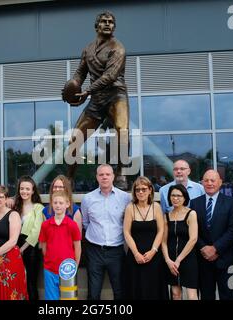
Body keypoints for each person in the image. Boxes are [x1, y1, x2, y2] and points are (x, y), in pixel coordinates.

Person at [65, 11, 130, 188]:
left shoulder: (118, 48)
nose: (108, 24)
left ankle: (122, 172)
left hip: (116, 95)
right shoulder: (88, 49)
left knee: (122, 130)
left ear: (114, 27)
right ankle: (69, 178)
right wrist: (74, 86)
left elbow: (109, 76)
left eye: (111, 22)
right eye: (104, 21)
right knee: (74, 139)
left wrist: (86, 92)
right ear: (97, 26)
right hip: (97, 99)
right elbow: (81, 72)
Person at [81, 164, 131, 300]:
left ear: (113, 177)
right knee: (93, 292)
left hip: (116, 251)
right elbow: (85, 222)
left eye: (108, 174)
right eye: (101, 174)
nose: (104, 177)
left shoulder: (125, 198)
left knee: (119, 291)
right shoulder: (88, 199)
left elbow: (127, 222)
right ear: (97, 177)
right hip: (94, 251)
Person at [190, 170, 233, 300]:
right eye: (206, 180)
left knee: (230, 295)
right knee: (206, 295)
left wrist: (215, 248)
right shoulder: (194, 203)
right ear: (202, 183)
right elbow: (193, 230)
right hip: (203, 259)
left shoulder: (231, 202)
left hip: (227, 259)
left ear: (220, 182)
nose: (209, 183)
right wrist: (204, 248)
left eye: (213, 180)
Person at [123, 176, 167, 300]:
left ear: (150, 190)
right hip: (135, 257)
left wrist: (153, 251)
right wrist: (136, 253)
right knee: (136, 289)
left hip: (154, 257)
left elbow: (161, 230)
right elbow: (126, 232)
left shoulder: (156, 207)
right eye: (137, 190)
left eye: (143, 189)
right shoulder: (130, 208)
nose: (140, 192)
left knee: (154, 289)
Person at [39, 191, 82, 300]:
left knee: (68, 298)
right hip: (50, 269)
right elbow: (44, 246)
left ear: (67, 204)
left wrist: (75, 266)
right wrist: (50, 260)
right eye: (55, 203)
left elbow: (77, 247)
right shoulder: (45, 225)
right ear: (51, 204)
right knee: (51, 298)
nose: (58, 205)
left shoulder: (72, 225)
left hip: (68, 269)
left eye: (61, 203)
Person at [161, 184, 198, 300]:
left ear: (184, 197)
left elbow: (193, 239)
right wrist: (168, 260)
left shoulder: (191, 214)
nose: (175, 198)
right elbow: (163, 241)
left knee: (192, 295)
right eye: (172, 195)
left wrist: (178, 260)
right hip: (171, 260)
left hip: (188, 258)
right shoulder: (166, 216)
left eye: (178, 196)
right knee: (175, 294)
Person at [14, 175, 44, 301]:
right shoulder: (15, 207)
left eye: (27, 189)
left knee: (30, 284)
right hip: (14, 247)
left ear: (32, 191)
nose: (24, 191)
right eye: (22, 189)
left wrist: (22, 249)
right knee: (17, 283)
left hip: (31, 249)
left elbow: (36, 232)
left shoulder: (38, 208)